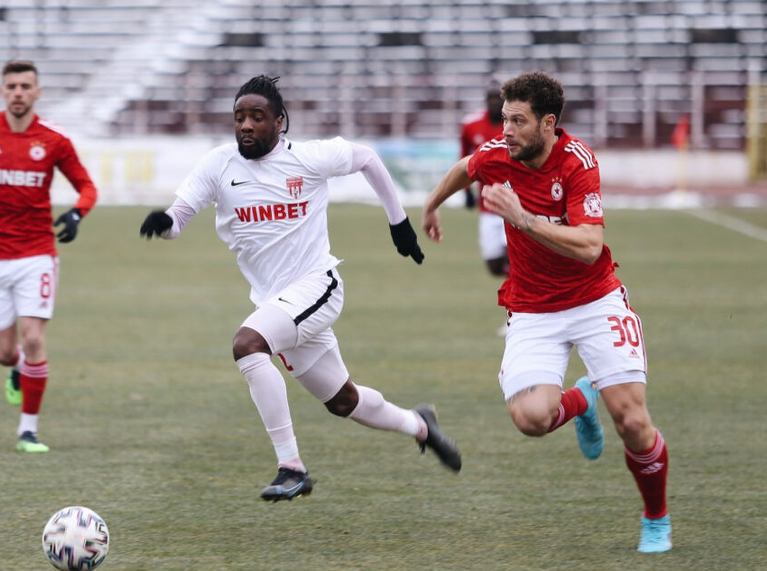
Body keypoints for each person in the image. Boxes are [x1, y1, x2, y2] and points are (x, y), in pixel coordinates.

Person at [140, 75, 461, 502]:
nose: (246, 126)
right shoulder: (218, 165)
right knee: (343, 401)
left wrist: (398, 223)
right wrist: (164, 223)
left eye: (257, 117)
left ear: (280, 122)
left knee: (247, 344)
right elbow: (178, 219)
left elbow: (367, 158)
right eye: (239, 117)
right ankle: (421, 425)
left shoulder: (310, 158)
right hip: (277, 303)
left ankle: (292, 468)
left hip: (318, 288)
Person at [422, 71, 671, 553]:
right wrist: (432, 205)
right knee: (531, 418)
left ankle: (655, 518)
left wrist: (524, 220)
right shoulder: (499, 152)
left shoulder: (578, 163)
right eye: (504, 118)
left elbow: (589, 245)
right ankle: (582, 401)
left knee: (634, 422)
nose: (506, 130)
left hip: (595, 301)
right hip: (534, 309)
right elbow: (465, 167)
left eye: (518, 121)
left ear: (548, 123)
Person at [0, 59, 98, 453]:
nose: (18, 93)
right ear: (2, 91)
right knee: (3, 353)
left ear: (37, 92)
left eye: (25, 86)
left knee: (32, 338)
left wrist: (77, 214)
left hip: (36, 253)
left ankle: (28, 430)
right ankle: (15, 373)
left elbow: (87, 187)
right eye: (11, 86)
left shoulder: (54, 139)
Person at [460, 83, 509, 334]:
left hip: (514, 204)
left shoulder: (514, 125)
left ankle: (517, 313)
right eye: (490, 97)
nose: (493, 102)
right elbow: (464, 157)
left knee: (514, 262)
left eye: (497, 98)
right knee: (494, 265)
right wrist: (466, 191)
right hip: (487, 207)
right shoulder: (471, 125)